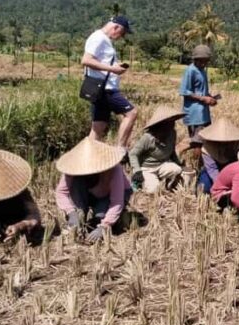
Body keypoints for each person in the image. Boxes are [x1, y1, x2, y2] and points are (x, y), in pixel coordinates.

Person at [56, 137, 132, 243]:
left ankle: (104, 216)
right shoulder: (73, 167)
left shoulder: (114, 169)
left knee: (100, 218)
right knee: (77, 186)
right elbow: (61, 192)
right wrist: (71, 212)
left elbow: (116, 202)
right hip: (89, 191)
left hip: (110, 194)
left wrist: (104, 226)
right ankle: (80, 212)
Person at [81, 16, 137, 149]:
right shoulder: (98, 38)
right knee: (132, 113)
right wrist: (113, 69)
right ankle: (121, 149)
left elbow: (100, 60)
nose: (121, 36)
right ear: (116, 27)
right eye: (122, 33)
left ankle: (86, 159)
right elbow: (86, 60)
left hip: (101, 88)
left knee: (98, 127)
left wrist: (116, 65)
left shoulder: (104, 39)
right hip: (106, 89)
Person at [128, 106, 185, 193]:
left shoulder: (172, 133)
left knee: (177, 170)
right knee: (153, 190)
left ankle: (162, 181)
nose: (173, 124)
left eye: (172, 122)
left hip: (162, 165)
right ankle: (142, 181)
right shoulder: (148, 138)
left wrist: (178, 163)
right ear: (161, 124)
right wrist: (137, 171)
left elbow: (172, 151)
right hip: (147, 168)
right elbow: (133, 154)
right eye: (169, 122)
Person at [188, 117, 239, 194]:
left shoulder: (238, 145)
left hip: (231, 169)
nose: (224, 144)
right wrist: (223, 187)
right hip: (213, 170)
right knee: (204, 187)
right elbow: (212, 170)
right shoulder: (208, 148)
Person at [179, 44, 217, 137]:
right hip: (195, 114)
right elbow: (185, 91)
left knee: (206, 139)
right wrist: (203, 99)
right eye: (201, 61)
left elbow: (201, 90)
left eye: (205, 61)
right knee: (197, 142)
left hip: (204, 113)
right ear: (195, 59)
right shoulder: (190, 70)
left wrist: (210, 98)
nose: (203, 64)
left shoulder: (202, 71)